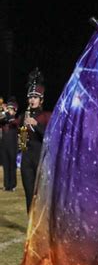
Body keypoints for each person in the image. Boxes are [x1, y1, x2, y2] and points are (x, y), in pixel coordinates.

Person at [18, 69, 52, 213]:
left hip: (40, 159)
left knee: (40, 195)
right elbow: (22, 142)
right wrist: (22, 135)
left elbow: (49, 137)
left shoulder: (46, 116)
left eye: (36, 97)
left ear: (41, 99)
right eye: (30, 96)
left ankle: (40, 225)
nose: (32, 100)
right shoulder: (23, 116)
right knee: (29, 195)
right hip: (26, 160)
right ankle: (31, 227)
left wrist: (36, 125)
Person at [0, 97, 19, 191]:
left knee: (12, 165)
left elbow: (11, 120)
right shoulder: (3, 120)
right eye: (8, 108)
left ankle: (13, 185)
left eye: (11, 109)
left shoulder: (15, 120)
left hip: (13, 145)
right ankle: (6, 185)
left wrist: (5, 111)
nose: (9, 110)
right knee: (6, 165)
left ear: (15, 111)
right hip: (4, 145)